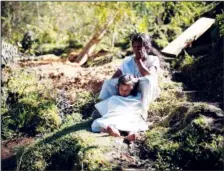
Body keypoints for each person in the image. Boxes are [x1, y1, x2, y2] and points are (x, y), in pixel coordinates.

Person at [98, 33, 162, 120]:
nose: (136, 49)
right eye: (134, 47)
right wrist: (115, 85)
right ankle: (103, 110)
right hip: (128, 88)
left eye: (139, 47)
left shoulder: (153, 59)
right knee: (108, 83)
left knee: (147, 81)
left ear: (146, 48)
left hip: (144, 89)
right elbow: (116, 75)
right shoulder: (127, 60)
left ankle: (142, 115)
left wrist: (139, 60)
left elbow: (149, 75)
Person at [91, 74, 148, 141]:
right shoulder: (114, 98)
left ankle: (131, 134)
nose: (124, 91)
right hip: (116, 117)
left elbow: (137, 108)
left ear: (132, 89)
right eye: (121, 89)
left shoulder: (136, 98)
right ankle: (115, 131)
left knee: (132, 124)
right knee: (112, 122)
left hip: (131, 118)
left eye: (127, 90)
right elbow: (110, 111)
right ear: (117, 87)